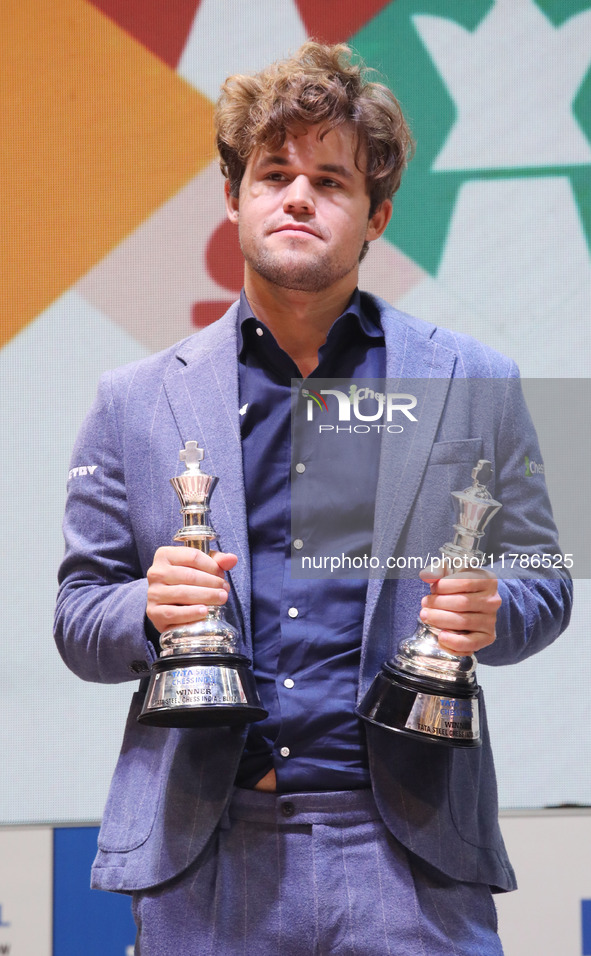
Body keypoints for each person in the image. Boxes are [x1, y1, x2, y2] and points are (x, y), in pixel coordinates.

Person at [55, 42, 571, 956]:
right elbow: (79, 616)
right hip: (205, 853)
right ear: (234, 198)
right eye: (274, 172)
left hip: (409, 852)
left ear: (375, 214)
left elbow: (544, 580)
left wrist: (497, 609)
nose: (297, 196)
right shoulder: (131, 401)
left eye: (329, 180)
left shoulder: (471, 377)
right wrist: (148, 607)